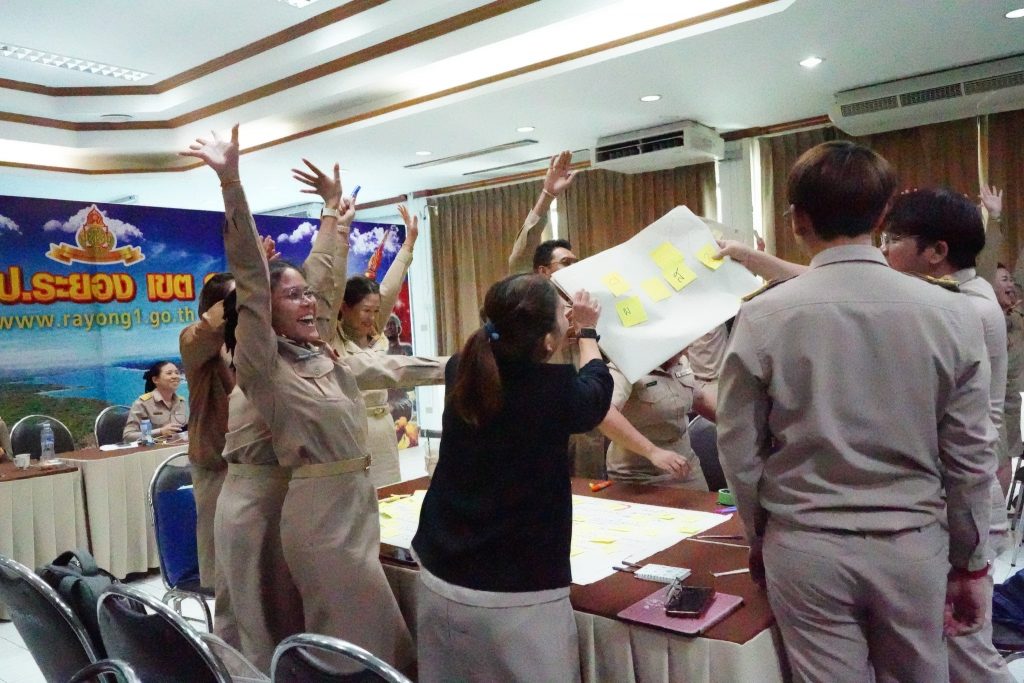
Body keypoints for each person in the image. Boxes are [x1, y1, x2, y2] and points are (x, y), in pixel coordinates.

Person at [718, 141, 995, 683]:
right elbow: (970, 457)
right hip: (912, 544)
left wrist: (759, 535)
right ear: (883, 214)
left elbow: (739, 448)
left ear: (797, 220)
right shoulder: (951, 313)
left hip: (806, 545)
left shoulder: (763, 316)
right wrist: (971, 562)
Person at [184, 126, 444, 672]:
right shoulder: (261, 360)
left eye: (308, 297)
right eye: (293, 296)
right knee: (257, 623)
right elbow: (252, 281)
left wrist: (332, 216)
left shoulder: (317, 352)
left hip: (301, 498)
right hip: (255, 502)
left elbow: (321, 281)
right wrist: (230, 181)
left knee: (303, 626)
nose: (310, 303)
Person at [412, 274, 612, 683]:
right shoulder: (551, 391)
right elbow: (596, 390)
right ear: (548, 341)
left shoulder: (462, 368)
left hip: (441, 566)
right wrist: (588, 331)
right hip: (516, 592)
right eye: (561, 315)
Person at [880, 187, 1011, 683]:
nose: (882, 251)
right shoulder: (964, 298)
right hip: (956, 490)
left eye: (893, 240)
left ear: (936, 252)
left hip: (960, 494)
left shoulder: (963, 309)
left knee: (966, 650)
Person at [330, 204, 441, 487]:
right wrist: (341, 229)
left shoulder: (375, 332)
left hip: (383, 428)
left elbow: (389, 287)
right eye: (365, 311)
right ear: (344, 307)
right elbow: (331, 284)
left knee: (391, 492)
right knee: (358, 494)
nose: (371, 317)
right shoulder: (331, 338)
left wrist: (409, 244)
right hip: (350, 429)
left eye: (375, 311)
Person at [605, 350, 716, 489]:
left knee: (708, 503)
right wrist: (653, 452)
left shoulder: (681, 361)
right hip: (639, 473)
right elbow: (605, 413)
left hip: (685, 468)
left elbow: (699, 399)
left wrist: (735, 424)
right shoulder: (626, 365)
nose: (686, 349)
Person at [995, 262, 1024, 494]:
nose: (1011, 285)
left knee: (1009, 457)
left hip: (1014, 402)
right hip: (994, 405)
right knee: (999, 460)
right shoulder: (987, 318)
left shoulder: (1016, 317)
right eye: (1004, 280)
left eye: (1010, 280)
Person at [123, 361, 188, 441]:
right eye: (169, 373)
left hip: (178, 447)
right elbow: (128, 436)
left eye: (177, 373)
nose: (175, 376)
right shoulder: (142, 403)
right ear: (155, 379)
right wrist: (160, 431)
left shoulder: (181, 402)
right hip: (153, 448)